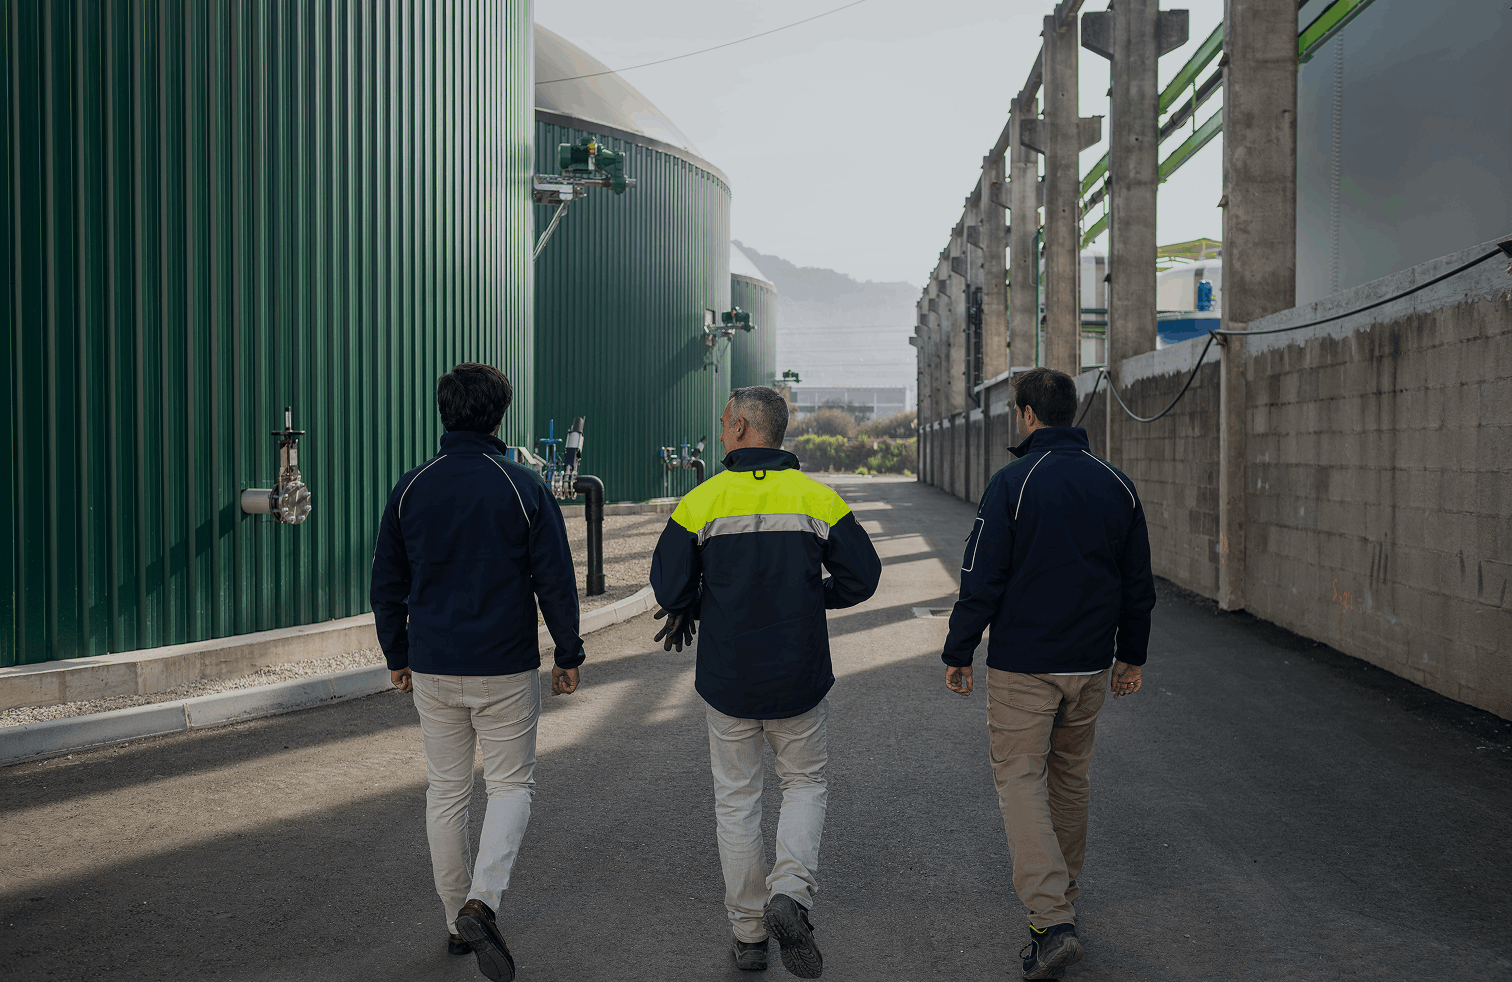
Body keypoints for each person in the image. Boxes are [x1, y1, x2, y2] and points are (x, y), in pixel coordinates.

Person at [650, 385, 881, 978]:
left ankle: (749, 936)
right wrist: (813, 596)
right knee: (804, 784)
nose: (721, 429)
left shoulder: (701, 500)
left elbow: (670, 588)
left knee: (737, 801)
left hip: (727, 680)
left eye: (725, 421)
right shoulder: (816, 498)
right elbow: (863, 577)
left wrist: (698, 602)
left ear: (742, 428)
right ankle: (791, 894)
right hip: (799, 676)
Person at [370, 362, 584, 982]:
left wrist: (397, 654)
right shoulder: (522, 485)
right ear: (500, 415)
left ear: (444, 411)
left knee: (447, 791)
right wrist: (568, 653)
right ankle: (481, 904)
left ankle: (453, 921)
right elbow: (555, 579)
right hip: (504, 666)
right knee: (510, 787)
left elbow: (387, 582)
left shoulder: (411, 487)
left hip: (434, 666)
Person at [940, 367, 1155, 981]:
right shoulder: (1117, 483)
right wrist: (1132, 655)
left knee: (1020, 779)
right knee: (1069, 780)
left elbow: (981, 575)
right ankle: (1064, 899)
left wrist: (959, 650)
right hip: (1090, 665)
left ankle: (1051, 921)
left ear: (1028, 414)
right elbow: (1137, 583)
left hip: (1025, 667)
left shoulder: (1013, 481)